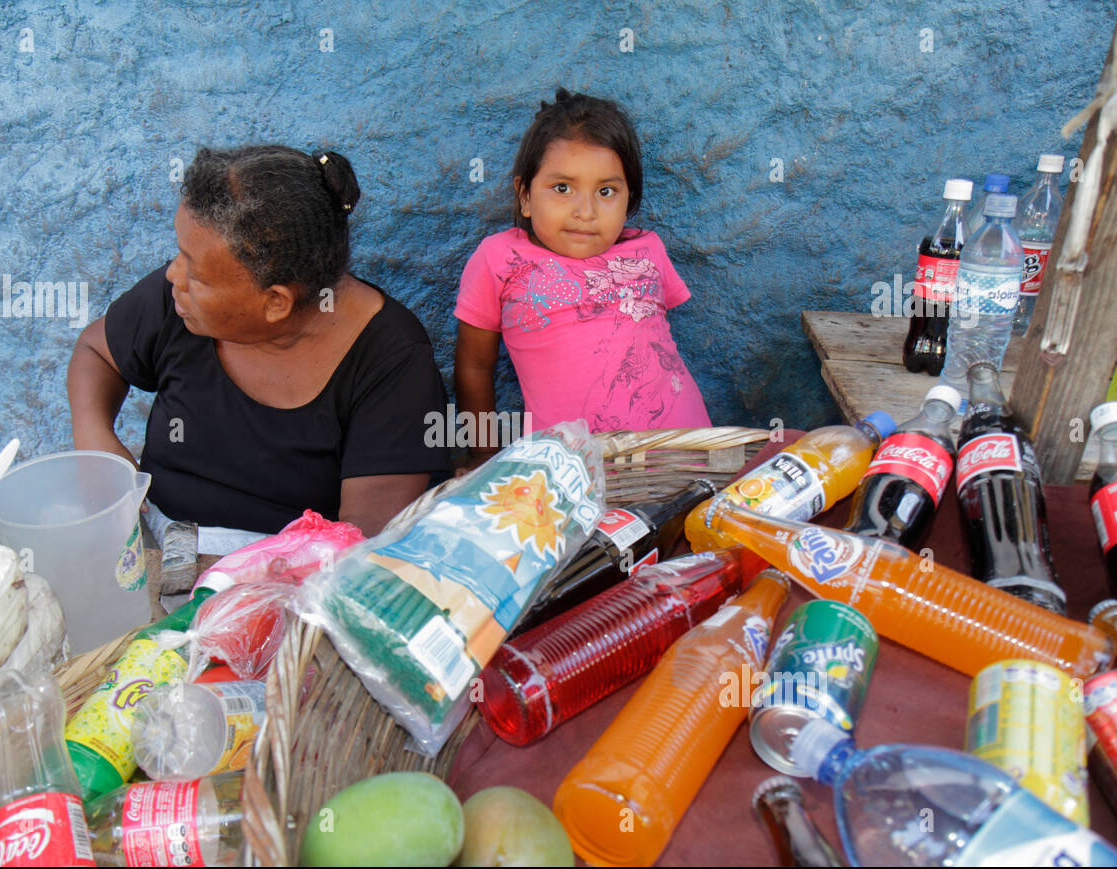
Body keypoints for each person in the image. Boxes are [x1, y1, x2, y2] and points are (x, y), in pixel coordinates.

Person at [67, 145, 452, 543]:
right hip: (156, 535)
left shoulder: (391, 362)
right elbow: (96, 352)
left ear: (275, 303)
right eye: (180, 254)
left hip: (289, 572)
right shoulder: (181, 303)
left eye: (196, 273)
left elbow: (359, 544)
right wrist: (95, 439)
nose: (173, 275)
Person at [454, 88, 711, 464]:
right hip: (573, 468)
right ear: (524, 195)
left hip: (686, 451)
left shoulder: (648, 250)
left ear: (629, 202)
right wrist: (481, 456)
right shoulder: (500, 259)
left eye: (606, 191)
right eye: (563, 188)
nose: (585, 211)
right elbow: (474, 366)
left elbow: (653, 341)